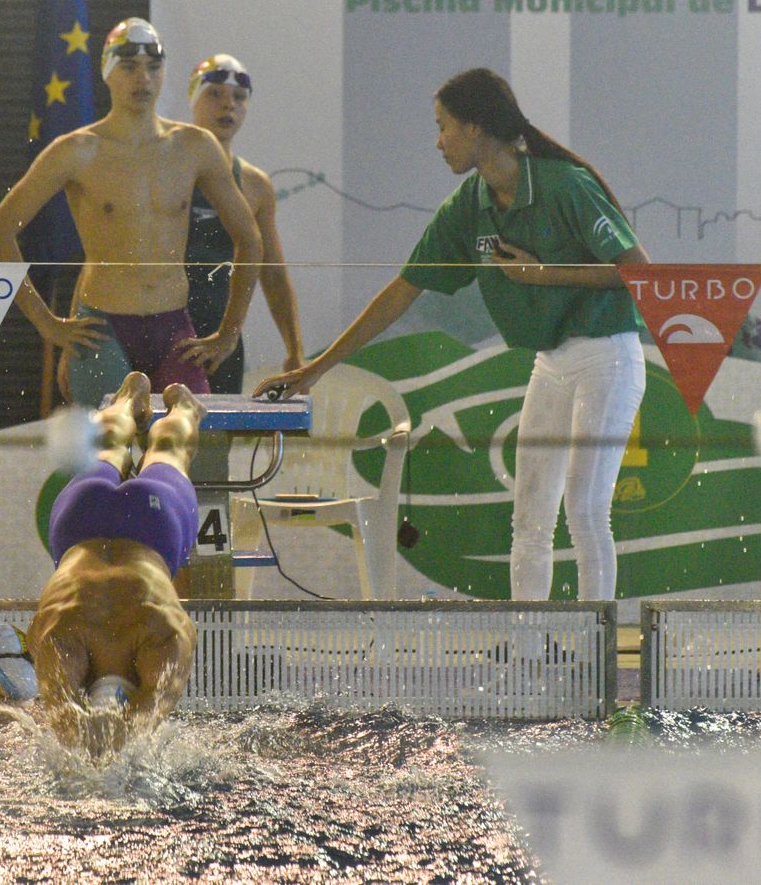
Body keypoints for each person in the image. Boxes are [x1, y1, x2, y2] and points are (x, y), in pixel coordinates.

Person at [256, 68, 649, 605]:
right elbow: (402, 290)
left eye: (443, 127)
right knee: (530, 518)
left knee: (583, 509)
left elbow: (640, 272)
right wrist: (314, 370)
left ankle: (597, 651)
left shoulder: (564, 186)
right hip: (552, 362)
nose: (437, 141)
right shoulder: (471, 204)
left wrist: (545, 274)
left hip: (607, 354)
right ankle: (531, 655)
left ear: (476, 128)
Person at [0, 18, 263, 408]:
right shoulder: (76, 151)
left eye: (153, 67)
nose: (143, 79)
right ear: (108, 73)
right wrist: (46, 323)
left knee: (191, 454)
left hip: (175, 331)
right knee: (109, 456)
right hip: (103, 330)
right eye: (129, 67)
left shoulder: (195, 147)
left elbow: (249, 239)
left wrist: (230, 331)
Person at [29, 370, 199, 752]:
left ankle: (180, 407)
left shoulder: (164, 635)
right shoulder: (60, 634)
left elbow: (115, 734)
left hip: (155, 529)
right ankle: (132, 403)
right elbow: (77, 725)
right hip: (81, 523)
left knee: (170, 450)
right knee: (109, 445)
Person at [184, 54, 303, 393]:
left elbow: (274, 274)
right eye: (215, 94)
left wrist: (295, 352)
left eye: (239, 97)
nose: (228, 106)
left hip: (222, 338)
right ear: (194, 100)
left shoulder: (254, 185)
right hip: (163, 329)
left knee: (215, 445)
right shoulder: (169, 170)